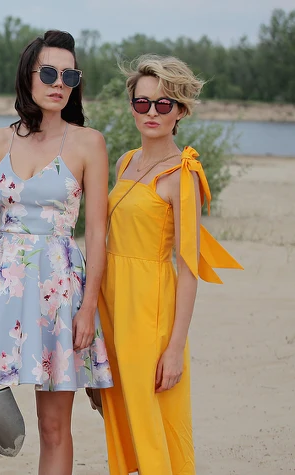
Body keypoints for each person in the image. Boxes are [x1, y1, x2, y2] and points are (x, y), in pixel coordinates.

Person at [0, 30, 114, 475]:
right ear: (27, 76)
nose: (59, 84)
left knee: (53, 429)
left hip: (59, 288)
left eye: (69, 76)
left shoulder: (88, 143)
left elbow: (97, 233)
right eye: (49, 73)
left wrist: (88, 307)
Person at [97, 54, 243, 475]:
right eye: (142, 102)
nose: (152, 112)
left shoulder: (183, 174)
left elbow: (188, 266)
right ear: (132, 107)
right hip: (114, 304)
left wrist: (175, 348)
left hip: (151, 310)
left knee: (152, 417)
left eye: (163, 104)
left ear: (180, 111)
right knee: (123, 412)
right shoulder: (125, 161)